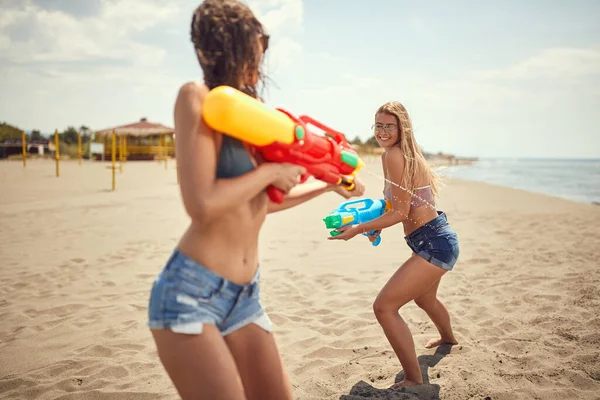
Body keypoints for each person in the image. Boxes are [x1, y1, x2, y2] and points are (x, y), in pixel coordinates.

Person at [146, 1, 366, 399]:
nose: (260, 64)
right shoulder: (195, 98)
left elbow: (266, 202)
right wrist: (269, 172)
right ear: (228, 47)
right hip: (191, 294)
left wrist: (329, 184)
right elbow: (202, 205)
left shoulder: (250, 116)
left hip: (245, 296)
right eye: (254, 50)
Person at [328, 101, 459, 388]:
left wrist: (358, 229)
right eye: (378, 125)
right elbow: (396, 207)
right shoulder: (403, 155)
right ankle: (449, 339)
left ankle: (413, 378)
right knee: (424, 299)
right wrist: (373, 226)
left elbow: (400, 213)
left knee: (384, 307)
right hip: (435, 238)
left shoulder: (394, 156)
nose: (383, 131)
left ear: (402, 128)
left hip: (433, 244)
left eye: (389, 126)